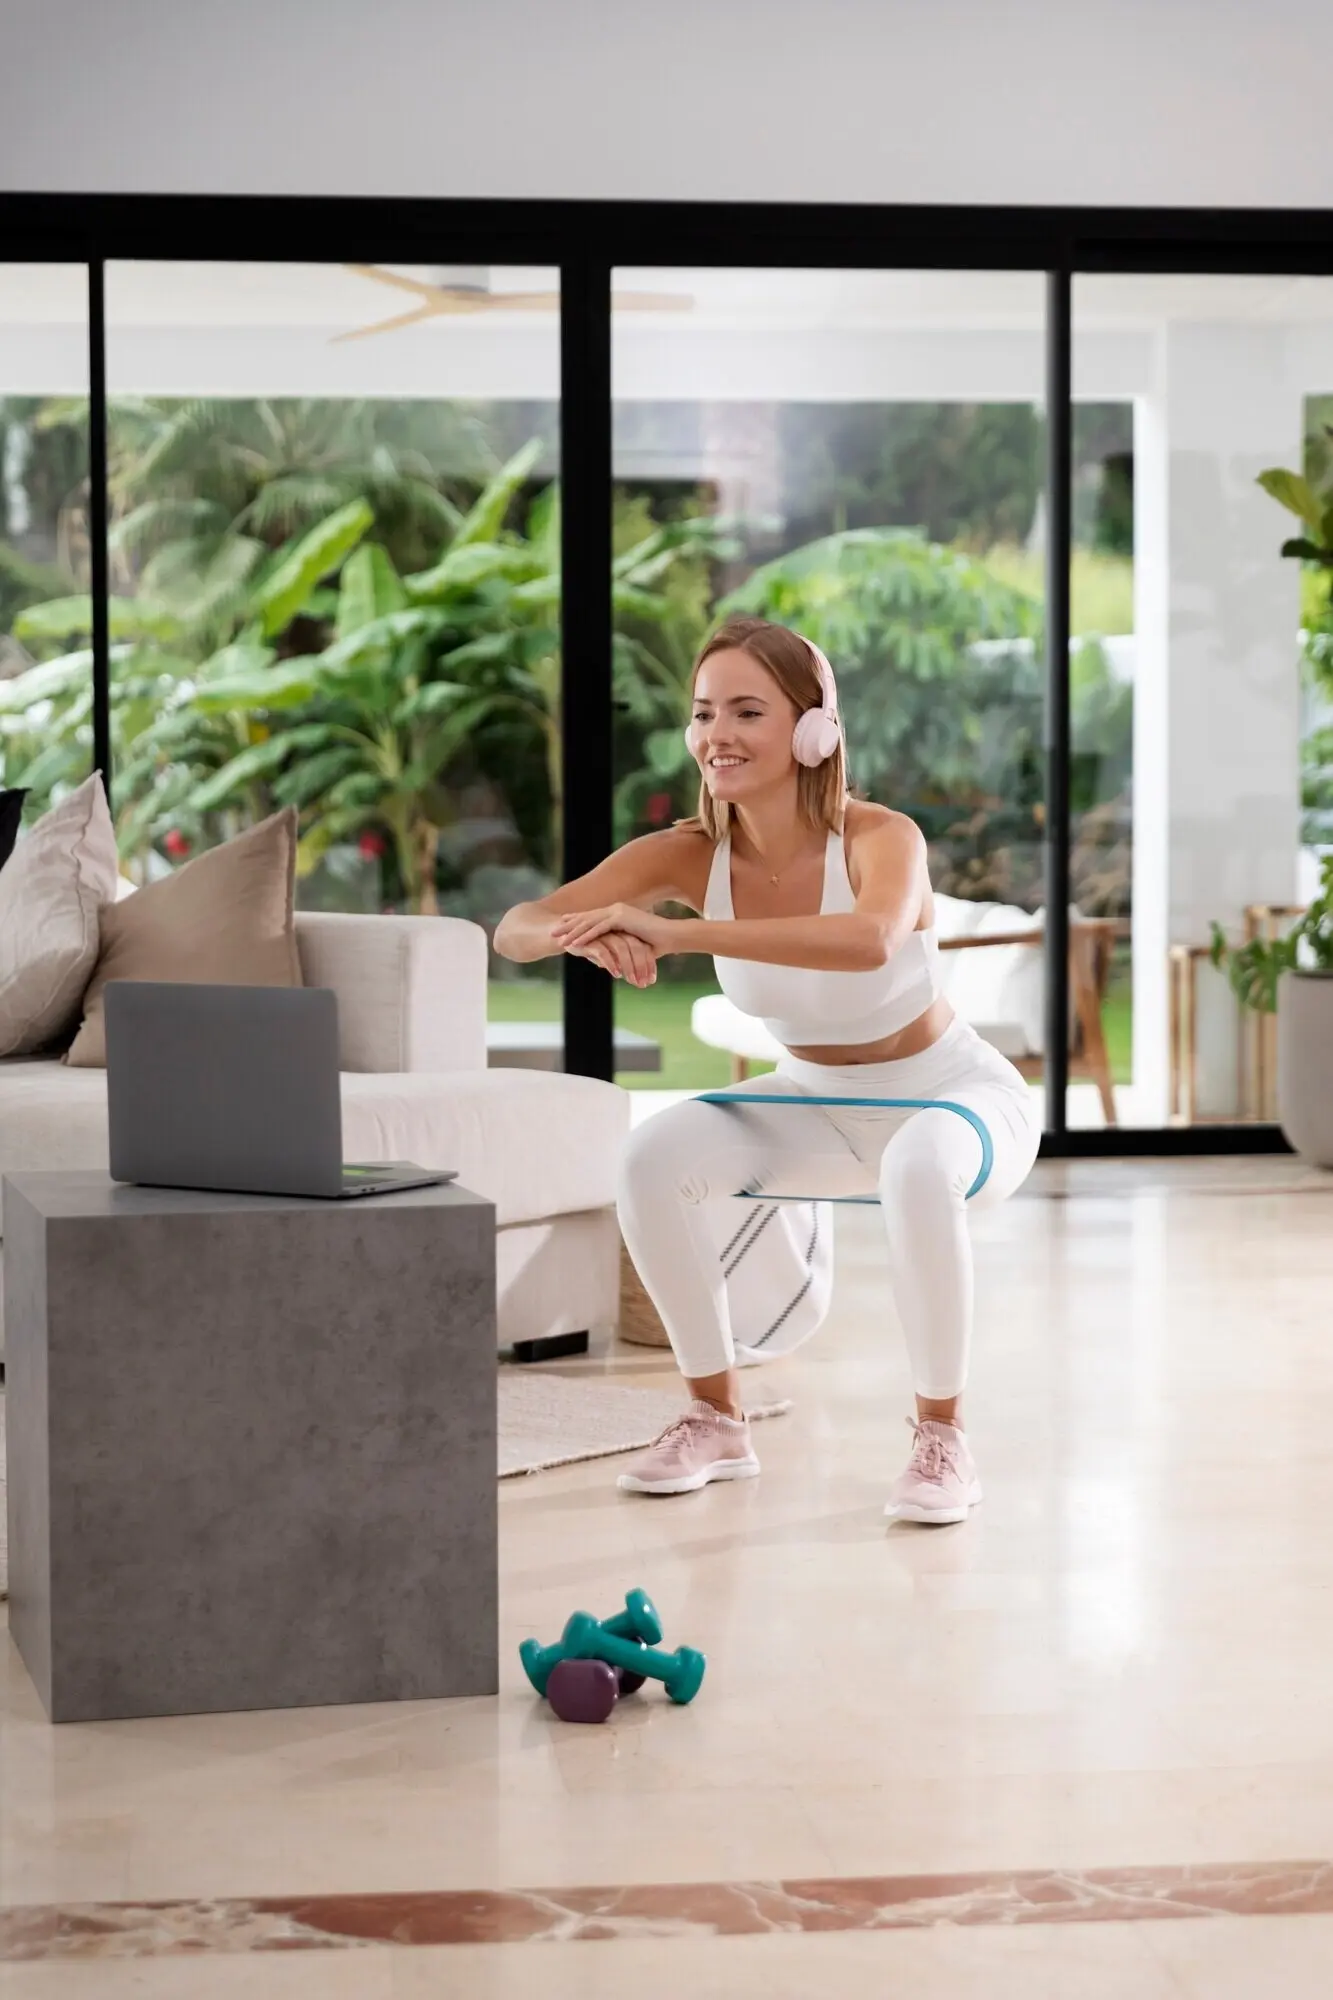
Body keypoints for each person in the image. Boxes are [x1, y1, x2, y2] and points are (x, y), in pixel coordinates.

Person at [494, 615, 1041, 1524]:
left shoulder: (880, 836)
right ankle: (715, 1415)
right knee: (649, 1158)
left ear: (813, 729)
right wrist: (586, 937)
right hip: (813, 1102)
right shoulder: (684, 853)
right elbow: (516, 926)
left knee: (914, 1163)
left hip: (951, 1097)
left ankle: (942, 1437)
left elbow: (869, 941)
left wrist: (677, 934)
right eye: (705, 712)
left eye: (748, 710)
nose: (719, 734)